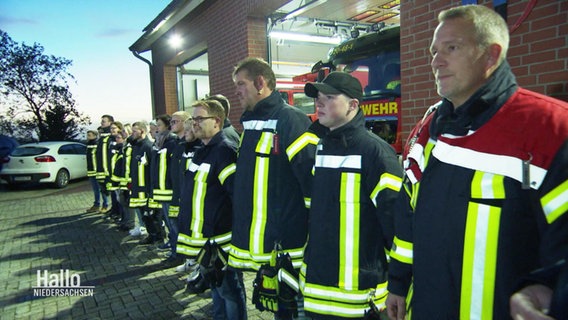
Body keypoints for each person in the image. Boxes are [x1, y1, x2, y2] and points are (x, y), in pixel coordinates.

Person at [385, 5, 568, 320]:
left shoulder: (549, 130)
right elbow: (407, 214)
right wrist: (399, 282)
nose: (436, 61)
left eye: (451, 48)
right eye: (433, 51)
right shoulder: (428, 130)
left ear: (491, 55)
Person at [300, 72, 403, 319]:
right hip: (317, 289)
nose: (319, 103)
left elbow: (397, 225)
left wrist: (399, 283)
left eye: (330, 97)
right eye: (318, 98)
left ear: (353, 105)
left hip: (358, 296)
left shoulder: (376, 153)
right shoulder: (321, 146)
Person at [228, 57, 318, 319]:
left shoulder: (292, 121)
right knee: (281, 308)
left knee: (295, 306)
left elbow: (310, 182)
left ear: (260, 82)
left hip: (289, 244)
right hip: (269, 245)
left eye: (241, 84)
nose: (237, 91)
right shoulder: (250, 125)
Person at [176, 100, 246, 319]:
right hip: (205, 240)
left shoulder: (224, 150)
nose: (193, 123)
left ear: (216, 121)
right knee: (217, 289)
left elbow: (237, 197)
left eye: (198, 119)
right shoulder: (203, 150)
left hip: (220, 241)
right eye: (193, 119)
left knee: (230, 292)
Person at [128, 121, 160, 245]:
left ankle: (157, 236)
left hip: (146, 189)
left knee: (151, 214)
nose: (132, 133)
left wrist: (150, 189)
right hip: (137, 188)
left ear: (142, 131)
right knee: (144, 214)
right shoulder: (136, 146)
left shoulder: (148, 146)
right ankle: (151, 234)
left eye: (135, 131)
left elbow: (152, 170)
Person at [94, 115, 113, 214]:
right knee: (103, 188)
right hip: (101, 169)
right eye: (101, 121)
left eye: (104, 121)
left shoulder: (110, 137)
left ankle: (109, 207)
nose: (102, 123)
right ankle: (107, 207)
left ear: (110, 123)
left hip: (108, 170)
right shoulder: (102, 138)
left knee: (111, 191)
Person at [85, 129, 102, 213]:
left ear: (95, 136)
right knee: (95, 189)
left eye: (90, 135)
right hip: (91, 170)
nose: (88, 137)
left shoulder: (97, 144)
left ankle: (104, 205)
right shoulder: (88, 144)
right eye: (87, 135)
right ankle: (96, 205)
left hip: (97, 170)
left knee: (101, 189)